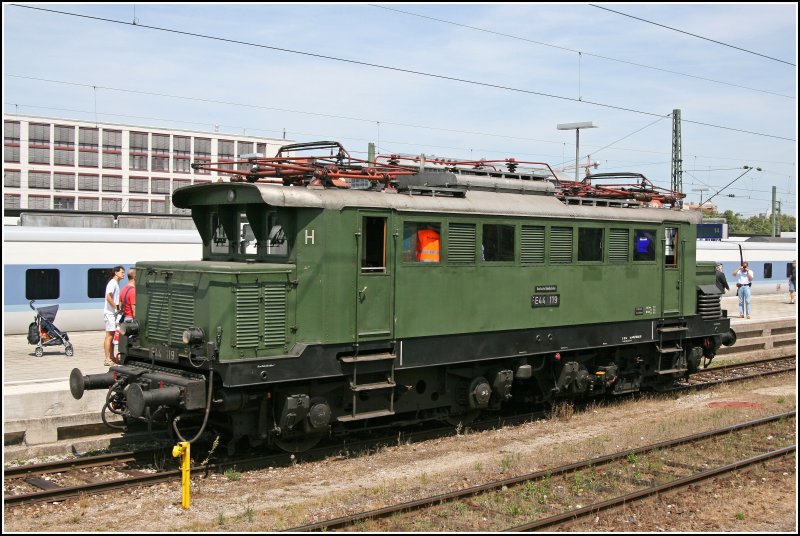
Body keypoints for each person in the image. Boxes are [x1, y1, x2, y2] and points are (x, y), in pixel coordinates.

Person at [103, 266, 125, 366]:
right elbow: (108, 297)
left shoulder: (116, 283)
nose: (123, 274)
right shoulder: (112, 283)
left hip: (113, 314)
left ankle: (112, 356)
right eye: (122, 272)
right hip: (110, 314)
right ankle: (107, 359)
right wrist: (116, 307)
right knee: (109, 336)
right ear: (116, 273)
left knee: (112, 335)